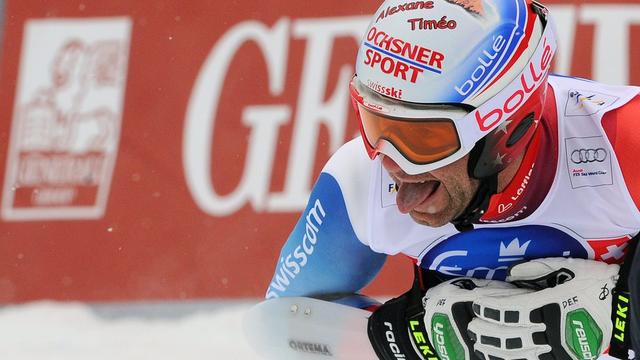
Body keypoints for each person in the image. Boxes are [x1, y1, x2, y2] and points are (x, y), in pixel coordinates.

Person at [265, 0, 640, 359]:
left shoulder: (625, 138)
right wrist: (406, 338)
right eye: (377, 125)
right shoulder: (360, 179)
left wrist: (625, 319)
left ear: (507, 130)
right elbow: (279, 328)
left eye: (424, 138)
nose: (393, 163)